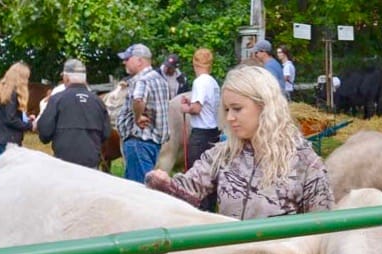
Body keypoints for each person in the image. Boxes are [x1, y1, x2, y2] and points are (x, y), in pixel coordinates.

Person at [145, 64, 333, 218]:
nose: (229, 118)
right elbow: (188, 190)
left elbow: (322, 226)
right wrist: (164, 184)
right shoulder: (224, 155)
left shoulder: (304, 162)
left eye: (237, 109)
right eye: (227, 110)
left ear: (265, 106)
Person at [36, 59, 111, 169]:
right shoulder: (98, 102)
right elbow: (106, 133)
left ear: (66, 78)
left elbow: (45, 133)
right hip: (91, 163)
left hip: (64, 163)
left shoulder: (56, 99)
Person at [116, 43, 171, 183]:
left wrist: (138, 116)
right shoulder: (160, 80)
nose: (124, 62)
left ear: (139, 61)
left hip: (138, 142)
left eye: (127, 59)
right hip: (153, 143)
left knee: (139, 189)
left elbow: (138, 98)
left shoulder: (142, 80)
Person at [180, 48, 220, 169]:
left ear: (195, 63)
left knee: (195, 170)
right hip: (213, 132)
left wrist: (185, 108)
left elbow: (196, 109)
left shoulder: (199, 82)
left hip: (200, 135)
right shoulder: (213, 82)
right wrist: (191, 101)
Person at [0, 62, 35, 160]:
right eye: (26, 77)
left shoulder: (1, 91)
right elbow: (11, 119)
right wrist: (30, 125)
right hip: (8, 140)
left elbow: (5, 116)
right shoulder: (12, 94)